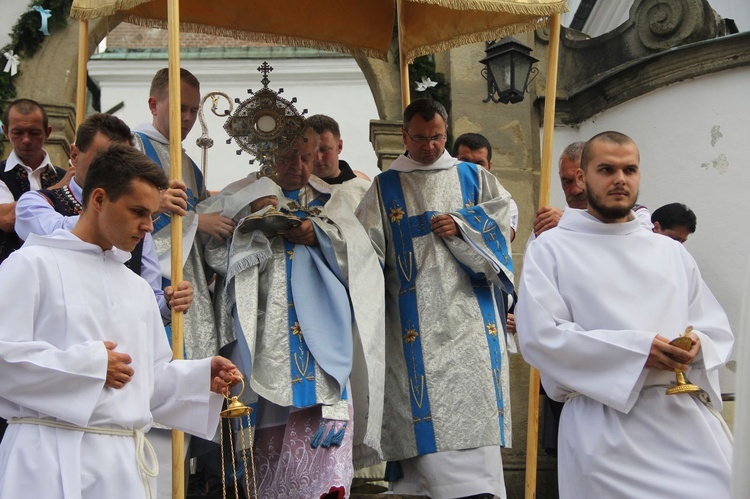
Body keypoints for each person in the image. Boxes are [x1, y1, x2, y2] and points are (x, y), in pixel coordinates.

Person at [0, 144, 242, 499]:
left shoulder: (137, 288)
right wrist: (91, 365)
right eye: (138, 212)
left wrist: (198, 377)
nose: (147, 226)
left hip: (122, 465)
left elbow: (147, 381)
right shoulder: (31, 265)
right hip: (49, 456)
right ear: (99, 199)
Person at [516, 131, 733, 499]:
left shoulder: (670, 252)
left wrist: (697, 347)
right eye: (607, 169)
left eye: (629, 169)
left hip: (681, 418)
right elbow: (541, 337)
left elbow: (714, 328)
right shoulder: (550, 249)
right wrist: (637, 351)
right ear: (583, 178)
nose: (620, 178)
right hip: (602, 428)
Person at [199, 125, 385, 498]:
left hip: (324, 329)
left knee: (321, 425)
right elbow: (209, 248)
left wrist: (318, 234)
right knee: (266, 414)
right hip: (265, 327)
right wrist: (246, 222)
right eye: (286, 158)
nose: (298, 166)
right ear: (267, 155)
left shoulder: (333, 198)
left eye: (305, 157)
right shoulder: (242, 192)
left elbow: (367, 254)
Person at [356, 98, 514, 498]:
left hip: (470, 318)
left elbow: (505, 224)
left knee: (473, 410)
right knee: (420, 415)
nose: (429, 146)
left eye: (437, 137)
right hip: (411, 327)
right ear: (405, 136)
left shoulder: (474, 177)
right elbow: (363, 251)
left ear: (447, 133)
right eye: (421, 138)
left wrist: (463, 226)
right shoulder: (385, 186)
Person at [14, 113, 193, 325]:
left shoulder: (138, 233)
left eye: (121, 161)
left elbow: (146, 297)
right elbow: (58, 233)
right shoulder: (35, 206)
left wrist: (168, 304)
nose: (112, 170)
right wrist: (117, 212)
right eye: (103, 158)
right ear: (75, 155)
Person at [132, 67, 231, 361]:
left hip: (194, 284)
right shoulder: (134, 146)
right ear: (153, 105)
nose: (188, 118)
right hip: (158, 279)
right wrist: (198, 221)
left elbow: (201, 238)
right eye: (180, 108)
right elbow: (129, 209)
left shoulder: (191, 168)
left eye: (193, 110)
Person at [0, 98, 70, 264]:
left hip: (57, 271)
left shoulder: (63, 175)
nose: (26, 139)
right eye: (18, 132)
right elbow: (7, 219)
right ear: (5, 131)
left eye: (34, 132)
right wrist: (59, 189)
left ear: (48, 132)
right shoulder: (63, 181)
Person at [533, 140, 653, 238]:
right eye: (567, 182)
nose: (575, 190)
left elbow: (640, 246)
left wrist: (568, 223)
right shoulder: (550, 223)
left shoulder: (637, 215)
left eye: (582, 180)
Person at [452, 132, 518, 242]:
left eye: (479, 164)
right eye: (465, 162)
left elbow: (504, 237)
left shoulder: (505, 203)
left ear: (489, 166)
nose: (473, 169)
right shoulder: (440, 195)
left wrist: (460, 228)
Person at [306, 114, 371, 203]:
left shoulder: (365, 193)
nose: (318, 158)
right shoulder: (290, 191)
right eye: (311, 150)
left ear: (339, 146)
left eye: (324, 150)